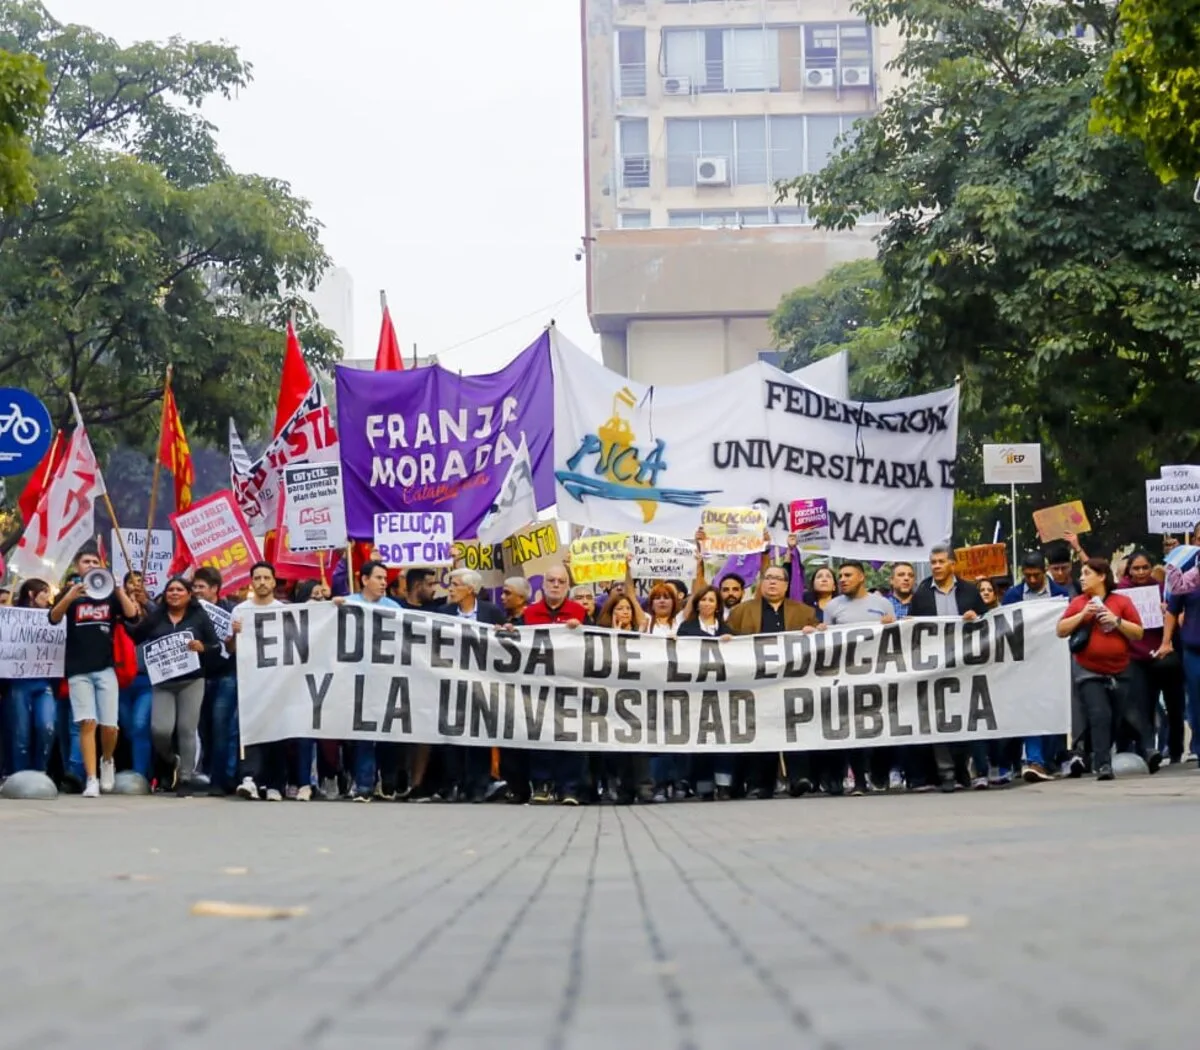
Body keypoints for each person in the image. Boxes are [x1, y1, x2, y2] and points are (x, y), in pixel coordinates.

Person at [48, 545, 142, 797]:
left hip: (105, 668)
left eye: (94, 561)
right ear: (78, 566)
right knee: (87, 723)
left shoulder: (109, 594)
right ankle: (91, 779)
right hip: (78, 669)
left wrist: (118, 588)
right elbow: (53, 618)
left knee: (110, 726)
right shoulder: (70, 593)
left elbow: (133, 616)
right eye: (86, 561)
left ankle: (107, 760)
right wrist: (70, 596)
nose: (90, 565)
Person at [727, 564, 819, 799]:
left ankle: (799, 778)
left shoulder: (803, 612)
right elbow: (728, 640)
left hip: (793, 680)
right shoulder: (741, 612)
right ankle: (761, 784)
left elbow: (821, 641)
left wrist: (816, 632)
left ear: (787, 585)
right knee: (762, 729)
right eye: (768, 578)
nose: (772, 582)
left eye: (778, 579)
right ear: (761, 582)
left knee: (795, 727)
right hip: (757, 681)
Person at [1057, 558, 1152, 780]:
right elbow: (1061, 630)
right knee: (1100, 714)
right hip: (1088, 671)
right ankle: (1103, 765)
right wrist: (1082, 616)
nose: (1082, 577)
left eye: (1087, 573)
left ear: (1101, 576)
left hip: (1120, 670)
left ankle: (1092, 753)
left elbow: (1138, 632)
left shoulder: (1122, 601)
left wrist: (1116, 621)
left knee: (1114, 717)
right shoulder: (1080, 602)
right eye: (1081, 573)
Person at [127, 576, 222, 794]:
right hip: (163, 682)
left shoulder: (199, 617)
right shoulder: (156, 617)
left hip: (192, 680)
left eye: (180, 589)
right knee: (159, 730)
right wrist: (135, 607)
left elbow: (215, 646)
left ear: (189, 594)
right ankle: (171, 760)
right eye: (170, 590)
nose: (175, 593)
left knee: (186, 729)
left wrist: (202, 647)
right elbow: (135, 635)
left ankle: (186, 778)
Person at [908, 546, 988, 792]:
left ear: (953, 564)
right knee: (939, 717)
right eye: (933, 562)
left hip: (965, 665)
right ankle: (946, 773)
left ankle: (964, 769)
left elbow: (989, 623)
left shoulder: (970, 591)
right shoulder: (921, 594)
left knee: (964, 716)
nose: (936, 566)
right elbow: (910, 629)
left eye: (941, 561)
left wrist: (977, 616)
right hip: (935, 666)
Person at [822, 561, 896, 795]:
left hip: (878, 674)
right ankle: (859, 781)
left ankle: (879, 773)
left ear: (862, 577)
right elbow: (826, 641)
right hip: (847, 676)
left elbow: (896, 636)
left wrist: (890, 624)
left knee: (880, 725)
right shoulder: (833, 607)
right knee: (852, 727)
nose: (842, 579)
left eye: (848, 575)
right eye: (840, 575)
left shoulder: (882, 604)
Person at [1000, 551, 1071, 782]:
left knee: (1052, 710)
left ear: (1045, 570)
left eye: (1036, 575)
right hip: (1025, 663)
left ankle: (1049, 760)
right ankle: (1035, 761)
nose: (1032, 580)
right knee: (1032, 709)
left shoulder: (1060, 595)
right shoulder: (1013, 595)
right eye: (1028, 575)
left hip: (1053, 660)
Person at [438, 568, 507, 803]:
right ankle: (455, 783)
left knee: (479, 734)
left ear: (471, 589)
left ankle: (478, 785)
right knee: (453, 735)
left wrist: (504, 633)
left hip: (482, 683)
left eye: (455, 584)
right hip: (453, 682)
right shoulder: (444, 613)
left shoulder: (491, 612)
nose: (451, 589)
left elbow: (508, 642)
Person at [336, 559, 403, 801]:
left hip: (385, 679)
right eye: (379, 578)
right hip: (356, 679)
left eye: (385, 579)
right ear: (364, 580)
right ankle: (364, 785)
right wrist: (329, 607)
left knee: (387, 735)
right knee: (363, 734)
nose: (384, 583)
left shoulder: (395, 608)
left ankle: (386, 784)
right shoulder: (348, 604)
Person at [521, 563, 588, 804]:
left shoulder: (578, 612)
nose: (556, 585)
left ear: (568, 586)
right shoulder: (529, 613)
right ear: (543, 584)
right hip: (539, 684)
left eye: (561, 581)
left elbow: (593, 641)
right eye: (551, 581)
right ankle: (542, 785)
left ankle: (569, 788)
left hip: (570, 683)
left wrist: (580, 630)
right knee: (541, 734)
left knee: (570, 734)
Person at [229, 562, 288, 801]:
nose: (262, 582)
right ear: (251, 582)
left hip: (277, 681)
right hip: (250, 681)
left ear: (274, 582)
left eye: (266, 578)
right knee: (249, 728)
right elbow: (231, 649)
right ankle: (249, 779)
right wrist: (234, 634)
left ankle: (274, 784)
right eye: (257, 578)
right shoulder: (240, 611)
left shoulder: (284, 611)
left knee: (277, 731)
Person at [1120, 550, 1184, 765]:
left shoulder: (1163, 591)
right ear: (1129, 570)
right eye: (1136, 568)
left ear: (1151, 568)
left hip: (1164, 656)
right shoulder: (1122, 593)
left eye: (1145, 567)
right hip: (1137, 657)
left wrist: (1168, 611)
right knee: (1143, 706)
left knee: (1174, 705)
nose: (1141, 572)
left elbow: (1177, 617)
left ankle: (1175, 750)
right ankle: (1147, 751)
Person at [191, 567, 240, 796]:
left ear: (214, 589)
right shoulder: (190, 610)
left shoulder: (230, 610)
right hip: (200, 676)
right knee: (204, 728)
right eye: (195, 587)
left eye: (201, 587)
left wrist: (235, 636)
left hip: (226, 676)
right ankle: (207, 774)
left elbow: (232, 649)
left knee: (222, 726)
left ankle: (221, 780)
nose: (197, 591)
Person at [9, 580, 56, 773]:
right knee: (21, 734)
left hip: (44, 682)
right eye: (44, 592)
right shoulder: (11, 617)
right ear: (31, 594)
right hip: (19, 684)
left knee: (47, 726)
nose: (48, 597)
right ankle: (20, 774)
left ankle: (40, 771)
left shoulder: (54, 615)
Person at [117, 570, 155, 782]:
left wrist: (146, 603)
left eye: (140, 581)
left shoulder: (154, 611)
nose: (135, 585)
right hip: (122, 679)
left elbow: (163, 619)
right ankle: (136, 771)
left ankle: (141, 776)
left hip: (146, 679)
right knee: (129, 728)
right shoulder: (118, 611)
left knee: (140, 725)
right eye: (131, 582)